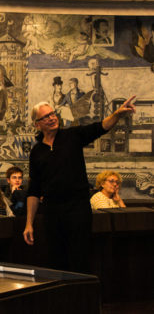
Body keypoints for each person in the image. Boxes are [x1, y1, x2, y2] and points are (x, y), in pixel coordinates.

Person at [23, 97, 136, 273]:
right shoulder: (37, 151)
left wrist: (117, 114)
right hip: (52, 211)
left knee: (79, 258)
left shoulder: (72, 136)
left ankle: (81, 298)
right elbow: (34, 190)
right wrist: (29, 223)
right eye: (46, 117)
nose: (52, 118)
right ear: (37, 124)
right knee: (56, 260)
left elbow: (101, 127)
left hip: (77, 208)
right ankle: (61, 298)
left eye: (53, 114)